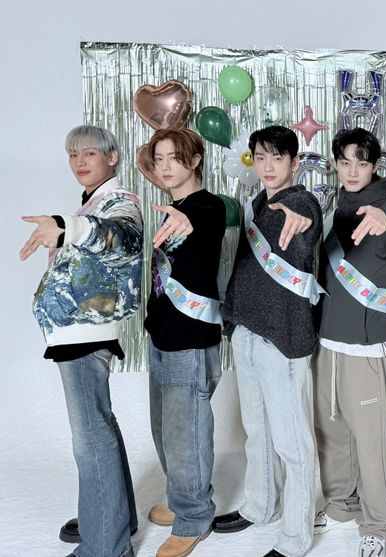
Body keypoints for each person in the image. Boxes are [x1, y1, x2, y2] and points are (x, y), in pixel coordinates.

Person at [21, 125, 143, 557]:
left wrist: (66, 227)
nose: (79, 162)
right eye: (73, 154)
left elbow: (124, 240)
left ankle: (106, 546)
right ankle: (113, 518)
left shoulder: (120, 201)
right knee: (99, 427)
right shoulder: (94, 202)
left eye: (89, 153)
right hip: (74, 331)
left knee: (90, 438)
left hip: (84, 333)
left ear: (112, 157)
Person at [313, 127, 386, 557]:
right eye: (345, 162)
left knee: (371, 440)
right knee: (333, 430)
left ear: (375, 165)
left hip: (367, 348)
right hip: (329, 343)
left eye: (362, 162)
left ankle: (377, 519)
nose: (353, 170)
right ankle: (342, 503)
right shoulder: (337, 207)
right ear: (337, 165)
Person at [214, 125, 324, 557]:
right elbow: (245, 267)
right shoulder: (256, 203)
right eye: (261, 157)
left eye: (278, 158)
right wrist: (233, 321)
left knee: (291, 442)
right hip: (248, 333)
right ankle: (260, 507)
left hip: (283, 338)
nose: (268, 165)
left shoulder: (301, 202)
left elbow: (305, 224)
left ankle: (296, 539)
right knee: (255, 431)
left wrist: (303, 219)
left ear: (295, 163)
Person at [144, 128, 226, 557]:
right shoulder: (170, 208)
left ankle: (194, 517)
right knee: (164, 430)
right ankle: (180, 499)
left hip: (191, 342)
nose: (165, 166)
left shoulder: (206, 207)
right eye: (158, 159)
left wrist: (186, 219)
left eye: (174, 157)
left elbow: (207, 222)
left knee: (187, 433)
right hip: (163, 336)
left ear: (195, 161)